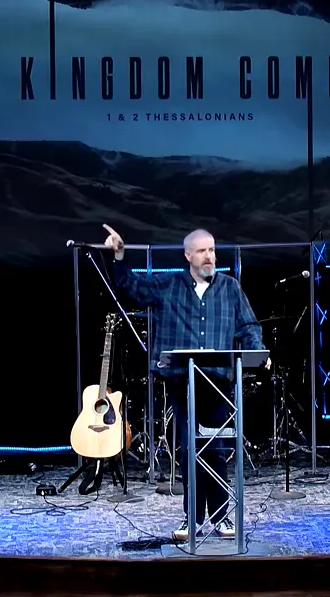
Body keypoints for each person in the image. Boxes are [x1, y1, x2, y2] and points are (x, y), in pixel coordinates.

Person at [102, 223, 266, 542]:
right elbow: (130, 287)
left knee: (215, 449)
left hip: (218, 382)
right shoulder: (169, 285)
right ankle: (192, 519)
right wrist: (120, 255)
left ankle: (220, 518)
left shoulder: (230, 288)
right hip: (183, 381)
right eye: (202, 251)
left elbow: (248, 325)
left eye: (212, 250)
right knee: (189, 448)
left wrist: (257, 352)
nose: (209, 256)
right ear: (188, 255)